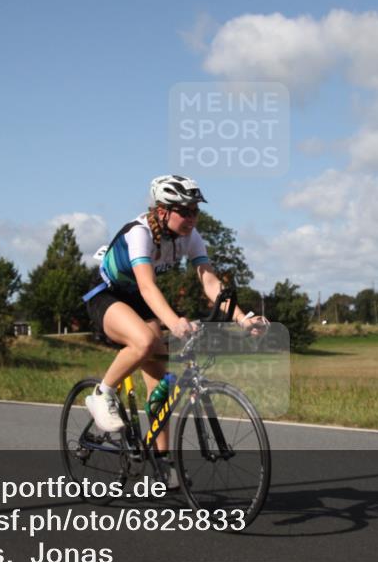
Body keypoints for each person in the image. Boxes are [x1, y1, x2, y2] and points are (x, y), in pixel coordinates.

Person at [83, 175, 268, 459]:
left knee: (161, 386)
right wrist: (174, 322)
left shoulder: (190, 238)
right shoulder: (139, 233)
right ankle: (102, 393)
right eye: (184, 211)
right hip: (106, 295)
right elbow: (147, 286)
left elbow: (210, 282)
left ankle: (162, 461)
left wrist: (243, 319)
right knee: (144, 342)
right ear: (162, 211)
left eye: (195, 211)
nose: (191, 218)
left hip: (139, 301)